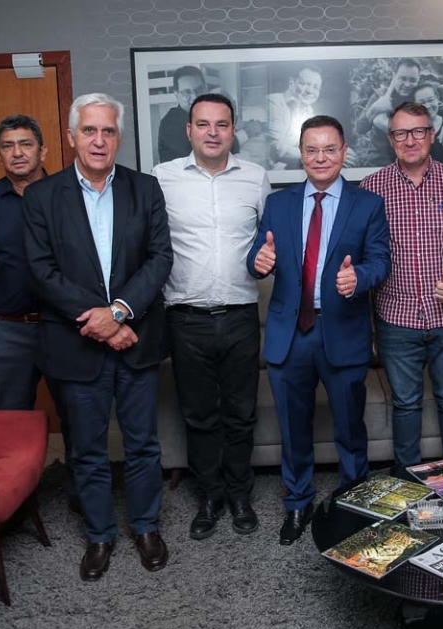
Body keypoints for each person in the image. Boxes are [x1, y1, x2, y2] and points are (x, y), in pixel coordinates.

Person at [23, 93, 173, 581]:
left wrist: (120, 312)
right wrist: (104, 323)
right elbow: (41, 271)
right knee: (87, 449)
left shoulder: (145, 188)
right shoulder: (43, 197)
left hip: (136, 338)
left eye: (108, 131)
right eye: (89, 130)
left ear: (118, 137)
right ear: (71, 137)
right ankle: (99, 535)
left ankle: (146, 527)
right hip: (76, 344)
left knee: (142, 444)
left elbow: (160, 259)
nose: (99, 140)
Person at [246, 115, 390, 545]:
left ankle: (353, 503)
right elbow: (258, 253)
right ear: (301, 154)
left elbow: (380, 261)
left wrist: (359, 277)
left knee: (349, 428)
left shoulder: (367, 204)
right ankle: (297, 502)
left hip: (341, 330)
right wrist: (258, 262)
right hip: (290, 334)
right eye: (312, 150)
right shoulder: (279, 204)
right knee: (293, 429)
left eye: (329, 149)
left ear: (344, 152)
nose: (321, 157)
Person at [153, 93, 271, 541]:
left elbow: (269, 241)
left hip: (241, 316)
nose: (212, 132)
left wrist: (269, 259)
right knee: (199, 415)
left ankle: (240, 495)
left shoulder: (255, 178)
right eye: (203, 124)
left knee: (241, 414)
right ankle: (209, 496)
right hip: (185, 318)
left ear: (233, 130)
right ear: (189, 131)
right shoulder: (162, 178)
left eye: (221, 124)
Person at [0, 114, 76, 508]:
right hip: (6, 330)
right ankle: (14, 504)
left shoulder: (68, 194)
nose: (17, 153)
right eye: (8, 146)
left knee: (76, 414)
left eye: (26, 144)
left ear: (43, 151)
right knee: (7, 423)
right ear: (0, 155)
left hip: (63, 326)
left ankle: (83, 493)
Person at [359, 101, 443, 467]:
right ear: (391, 139)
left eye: (418, 131)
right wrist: (368, 327)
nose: (410, 140)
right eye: (401, 133)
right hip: (396, 318)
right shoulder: (372, 187)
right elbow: (366, 257)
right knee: (405, 404)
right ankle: (408, 481)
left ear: (432, 134)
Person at [356, 58, 443, 167]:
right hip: (381, 160)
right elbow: (360, 128)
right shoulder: (380, 96)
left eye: (412, 80)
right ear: (394, 76)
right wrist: (373, 109)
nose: (407, 84)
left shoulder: (417, 95)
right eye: (403, 78)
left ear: (418, 79)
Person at [158, 65, 239, 163]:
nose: (195, 96)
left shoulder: (201, 116)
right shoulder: (170, 124)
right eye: (187, 92)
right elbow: (221, 151)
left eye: (199, 90)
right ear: (176, 95)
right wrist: (244, 134)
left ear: (205, 89)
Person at [265, 65, 322, 169]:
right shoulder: (274, 102)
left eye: (316, 87)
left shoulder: (308, 110)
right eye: (305, 84)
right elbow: (277, 147)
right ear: (292, 83)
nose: (310, 91)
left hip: (285, 164)